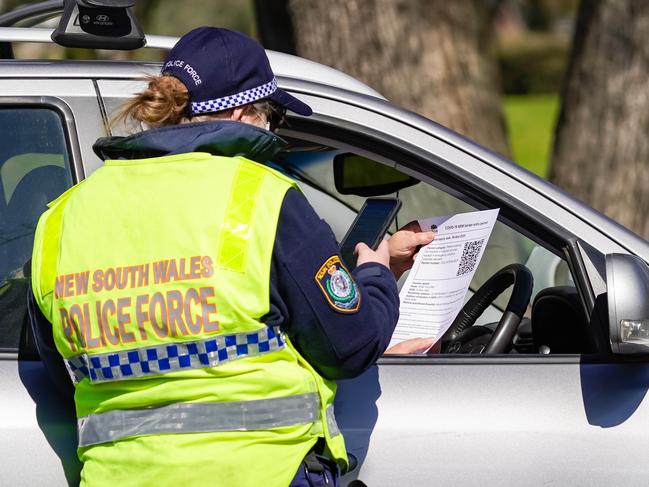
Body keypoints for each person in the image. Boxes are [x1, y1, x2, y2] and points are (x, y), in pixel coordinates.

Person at [29, 27, 432, 487]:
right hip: (261, 473)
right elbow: (349, 344)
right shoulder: (261, 195)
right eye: (273, 118)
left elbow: (62, 373)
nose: (273, 129)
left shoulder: (61, 218)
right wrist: (377, 276)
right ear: (243, 112)